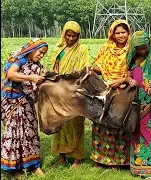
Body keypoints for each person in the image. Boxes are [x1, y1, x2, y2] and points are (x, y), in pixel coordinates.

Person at [1, 38, 48, 179]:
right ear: (33, 49)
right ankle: (15, 169)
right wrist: (32, 78)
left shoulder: (36, 65)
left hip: (27, 103)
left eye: (44, 54)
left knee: (30, 132)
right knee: (15, 133)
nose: (41, 55)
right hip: (13, 102)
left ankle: (33, 165)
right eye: (40, 52)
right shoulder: (20, 60)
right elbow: (11, 74)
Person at [126, 31, 151, 178]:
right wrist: (129, 80)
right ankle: (137, 166)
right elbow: (127, 74)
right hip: (136, 101)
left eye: (145, 47)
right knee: (137, 130)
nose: (143, 50)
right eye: (139, 48)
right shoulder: (131, 57)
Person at [90, 19, 131, 168]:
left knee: (119, 124)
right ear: (112, 34)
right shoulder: (106, 48)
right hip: (106, 90)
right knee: (101, 123)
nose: (120, 35)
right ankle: (101, 158)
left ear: (128, 33)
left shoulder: (132, 49)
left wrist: (120, 81)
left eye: (123, 32)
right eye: (117, 32)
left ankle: (120, 160)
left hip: (124, 91)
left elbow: (134, 71)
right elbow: (100, 68)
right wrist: (90, 67)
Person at [51, 21, 90, 169]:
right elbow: (54, 68)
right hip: (59, 91)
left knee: (75, 123)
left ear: (78, 36)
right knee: (60, 123)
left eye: (74, 36)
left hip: (74, 91)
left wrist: (75, 74)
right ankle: (61, 156)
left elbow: (84, 68)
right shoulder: (58, 49)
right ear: (64, 34)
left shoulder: (82, 49)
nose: (71, 38)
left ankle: (77, 158)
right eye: (68, 35)